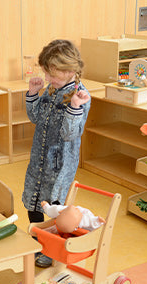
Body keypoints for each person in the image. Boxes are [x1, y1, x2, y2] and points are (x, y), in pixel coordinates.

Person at [22, 39, 92, 267]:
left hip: (60, 165)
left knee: (54, 208)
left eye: (53, 74)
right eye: (47, 73)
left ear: (70, 70)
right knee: (33, 201)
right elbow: (36, 118)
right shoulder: (51, 89)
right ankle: (36, 240)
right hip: (38, 159)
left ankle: (51, 249)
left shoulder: (80, 95)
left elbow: (70, 134)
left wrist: (74, 107)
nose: (49, 79)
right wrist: (33, 94)